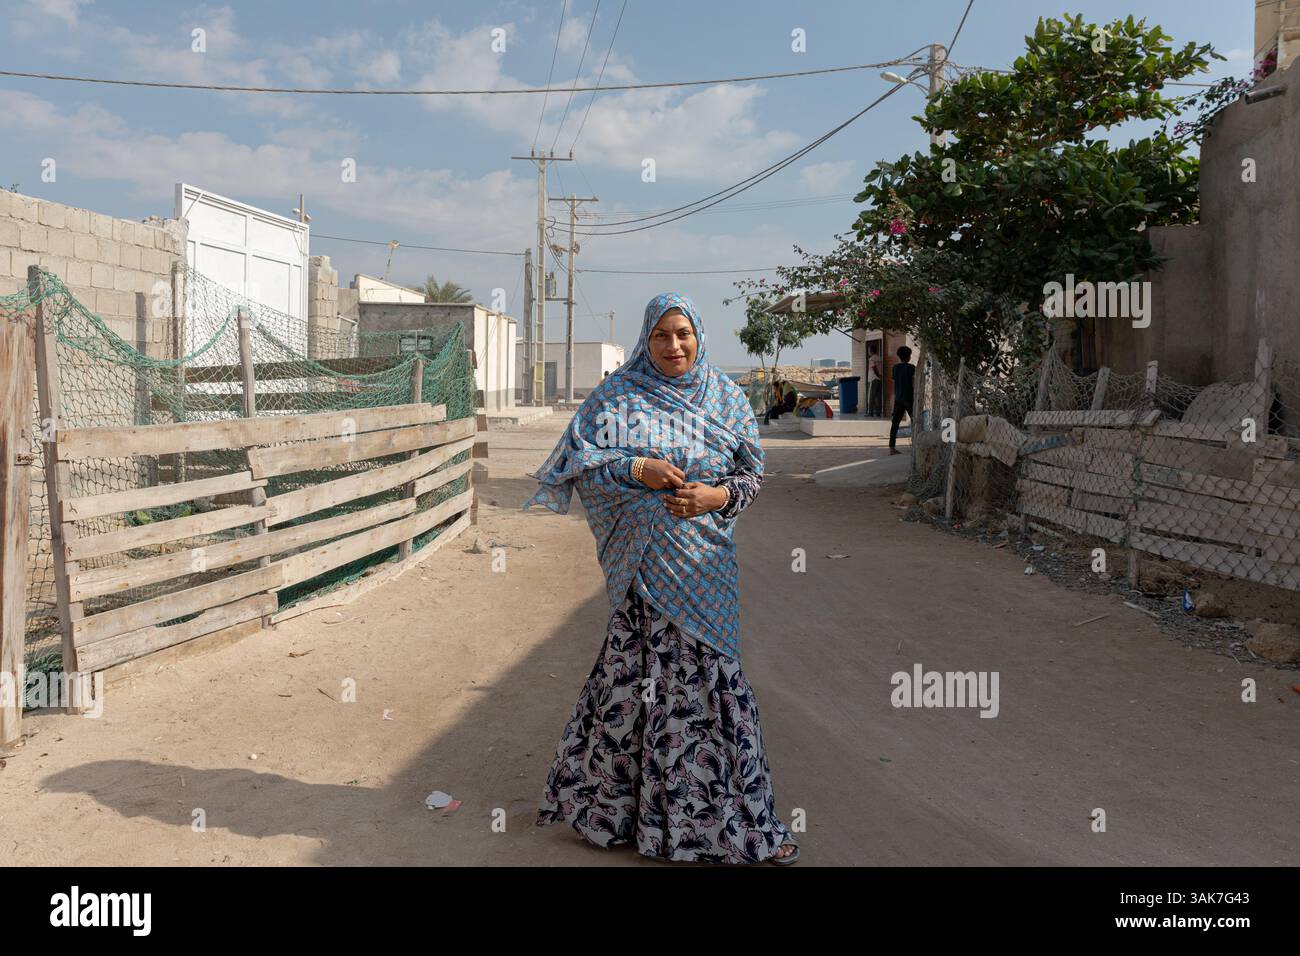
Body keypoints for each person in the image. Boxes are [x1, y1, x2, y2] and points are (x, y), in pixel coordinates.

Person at [523, 292, 799, 865]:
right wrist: (633, 468)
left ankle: (741, 825)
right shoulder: (618, 396)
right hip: (645, 575)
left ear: (698, 335)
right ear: (645, 340)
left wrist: (716, 496)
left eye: (683, 334)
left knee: (715, 686)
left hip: (705, 571)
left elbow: (751, 474)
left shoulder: (725, 396)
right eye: (661, 337)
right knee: (634, 686)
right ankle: (623, 817)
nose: (673, 347)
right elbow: (577, 461)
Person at [889, 345, 915, 455]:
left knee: (895, 423)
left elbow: (894, 382)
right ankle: (916, 444)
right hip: (909, 398)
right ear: (909, 356)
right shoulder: (912, 367)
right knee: (916, 421)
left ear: (899, 356)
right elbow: (914, 383)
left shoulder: (895, 368)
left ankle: (892, 447)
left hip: (898, 399)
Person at [867, 344, 883, 417]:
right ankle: (878, 412)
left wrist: (877, 375)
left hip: (874, 379)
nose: (868, 352)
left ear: (871, 351)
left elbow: (874, 367)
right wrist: (880, 376)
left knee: (871, 396)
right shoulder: (879, 358)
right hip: (879, 379)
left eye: (869, 350)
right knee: (878, 397)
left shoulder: (872, 359)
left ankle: (870, 412)